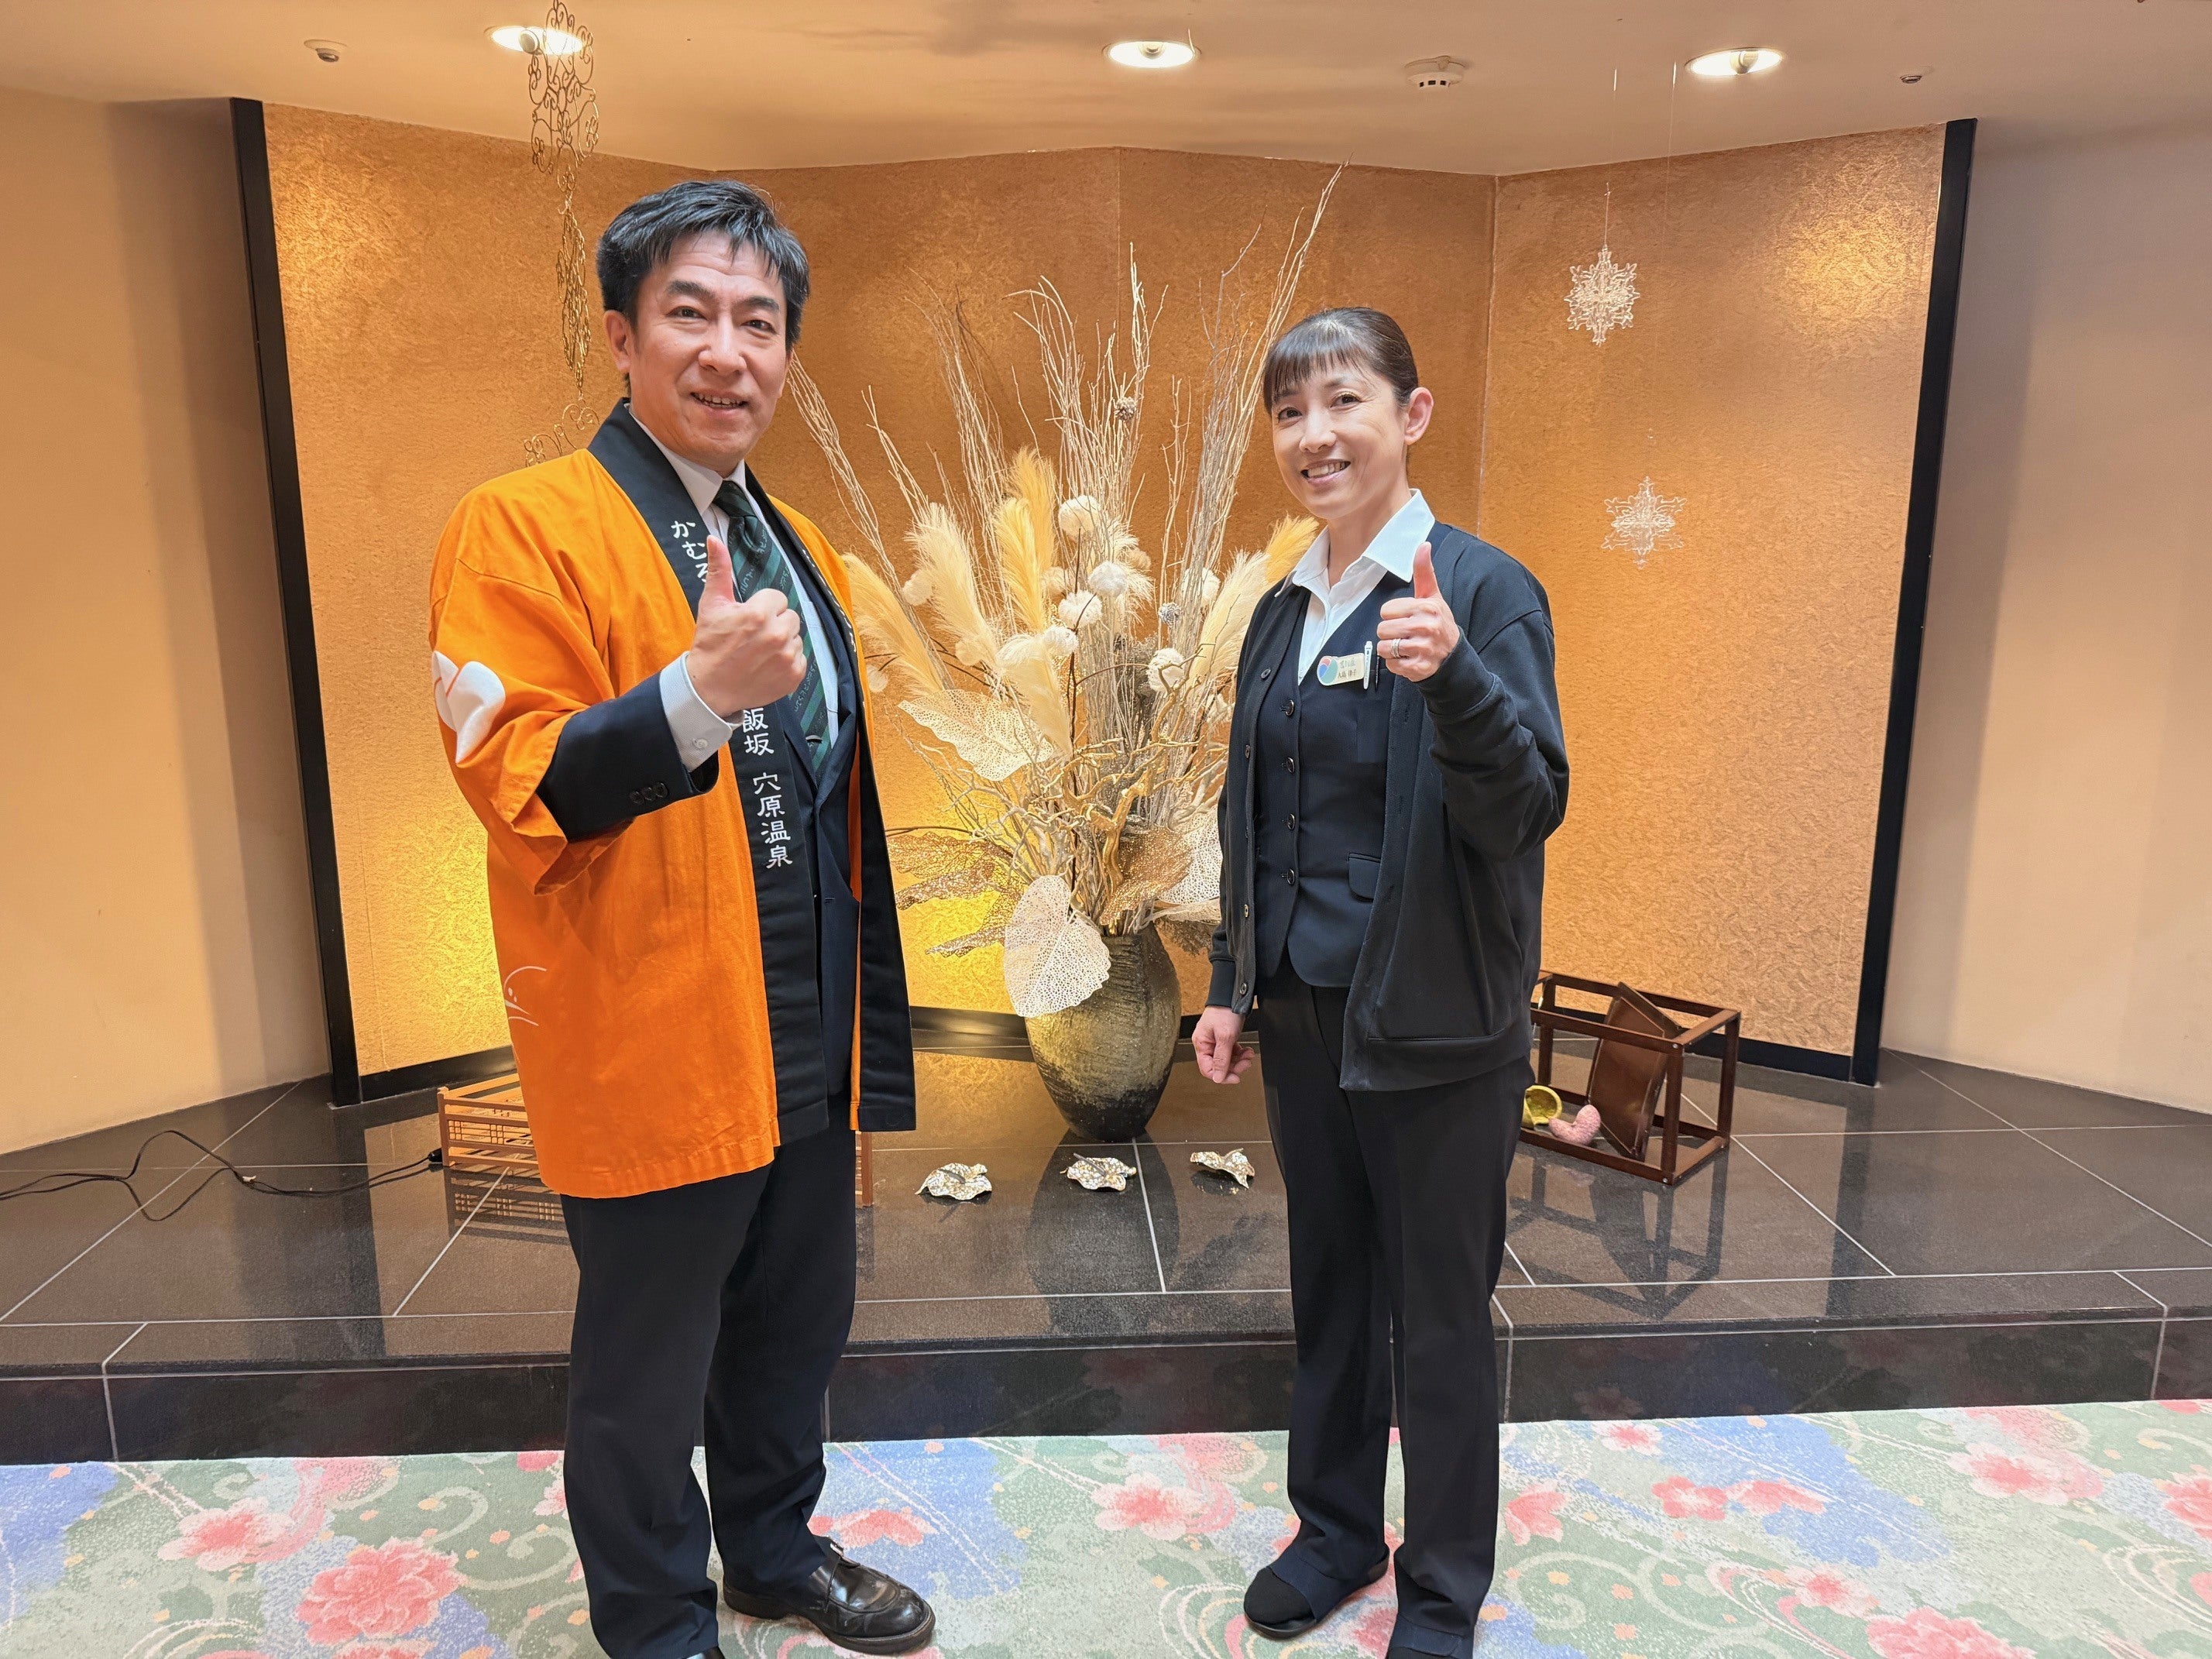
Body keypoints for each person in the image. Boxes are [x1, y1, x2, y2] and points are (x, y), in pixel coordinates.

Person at [428, 180, 934, 1659]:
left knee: (794, 1321)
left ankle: (772, 1551)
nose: (729, 352)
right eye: (690, 314)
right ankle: (655, 1621)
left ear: (787, 352)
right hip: (655, 1020)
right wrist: (694, 695)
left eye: (759, 323)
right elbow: (516, 774)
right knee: (648, 1365)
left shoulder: (800, 542)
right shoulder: (521, 526)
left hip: (802, 1015)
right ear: (620, 336)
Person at [1191, 307, 1568, 1659]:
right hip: (1304, 1009)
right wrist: (1232, 978)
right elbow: (1249, 808)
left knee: (1438, 1316)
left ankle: (1443, 1586)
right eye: (1290, 412)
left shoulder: (1483, 591)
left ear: (1410, 415)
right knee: (1334, 1289)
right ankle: (1335, 1529)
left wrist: (1456, 677)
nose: (1315, 435)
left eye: (1342, 401)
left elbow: (1526, 806)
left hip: (1438, 1021)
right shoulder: (1281, 607)